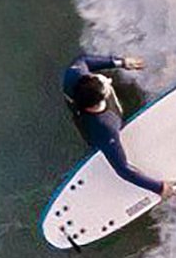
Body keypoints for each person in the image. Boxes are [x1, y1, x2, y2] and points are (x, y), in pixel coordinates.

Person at [63, 53, 163, 194]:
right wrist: (159, 188)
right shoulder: (105, 128)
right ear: (100, 100)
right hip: (99, 131)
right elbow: (122, 169)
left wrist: (121, 62)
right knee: (109, 148)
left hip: (88, 107)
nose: (108, 80)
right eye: (105, 86)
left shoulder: (73, 75)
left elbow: (83, 60)